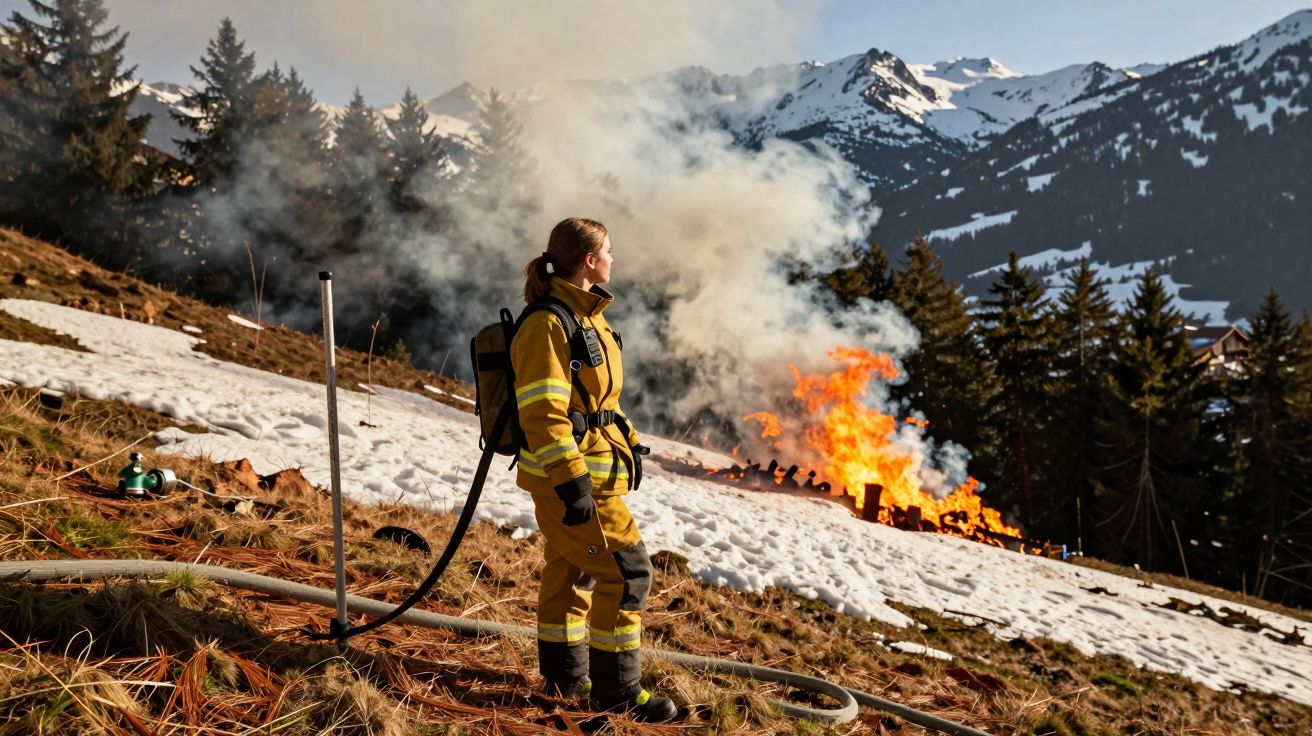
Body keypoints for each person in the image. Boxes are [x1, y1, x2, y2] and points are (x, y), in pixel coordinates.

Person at [510, 217, 678, 723]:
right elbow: (542, 412)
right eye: (609, 250)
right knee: (629, 574)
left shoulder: (589, 317)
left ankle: (565, 677)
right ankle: (617, 691)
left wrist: (630, 444)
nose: (614, 257)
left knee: (572, 569)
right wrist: (572, 478)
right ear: (589, 260)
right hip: (572, 479)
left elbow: (601, 401)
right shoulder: (547, 324)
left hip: (591, 474)